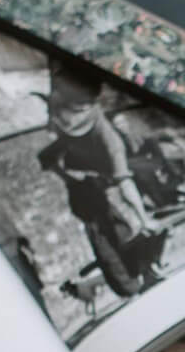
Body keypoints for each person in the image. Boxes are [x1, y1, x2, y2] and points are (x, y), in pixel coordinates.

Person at [36, 68, 168, 298]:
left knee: (127, 232)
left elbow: (125, 183)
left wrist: (143, 218)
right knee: (106, 244)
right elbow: (47, 155)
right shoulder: (62, 107)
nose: (70, 119)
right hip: (88, 191)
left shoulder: (109, 139)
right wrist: (71, 178)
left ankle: (144, 273)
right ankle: (132, 283)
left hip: (112, 187)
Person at [0, 177, 50, 317]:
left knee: (35, 291)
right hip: (8, 258)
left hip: (19, 253)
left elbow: (14, 231)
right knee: (25, 296)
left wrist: (28, 249)